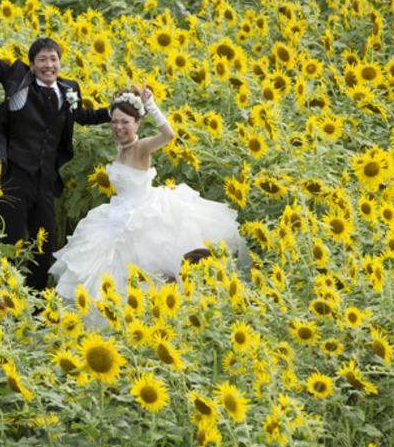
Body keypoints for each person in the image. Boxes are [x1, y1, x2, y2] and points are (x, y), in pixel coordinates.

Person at [0, 0, 111, 291]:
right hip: (17, 175)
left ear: (60, 62)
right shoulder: (18, 80)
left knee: (44, 243)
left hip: (46, 179)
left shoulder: (69, 89)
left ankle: (35, 304)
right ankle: (3, 297)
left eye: (53, 59)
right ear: (32, 64)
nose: (49, 65)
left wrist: (119, 109)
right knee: (10, 239)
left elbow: (81, 117)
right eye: (42, 60)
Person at [49, 83, 246, 300]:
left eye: (125, 122)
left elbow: (169, 135)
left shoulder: (141, 147)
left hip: (143, 214)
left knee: (145, 270)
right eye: (114, 122)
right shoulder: (121, 148)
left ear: (138, 123)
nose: (118, 127)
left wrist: (150, 104)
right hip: (117, 212)